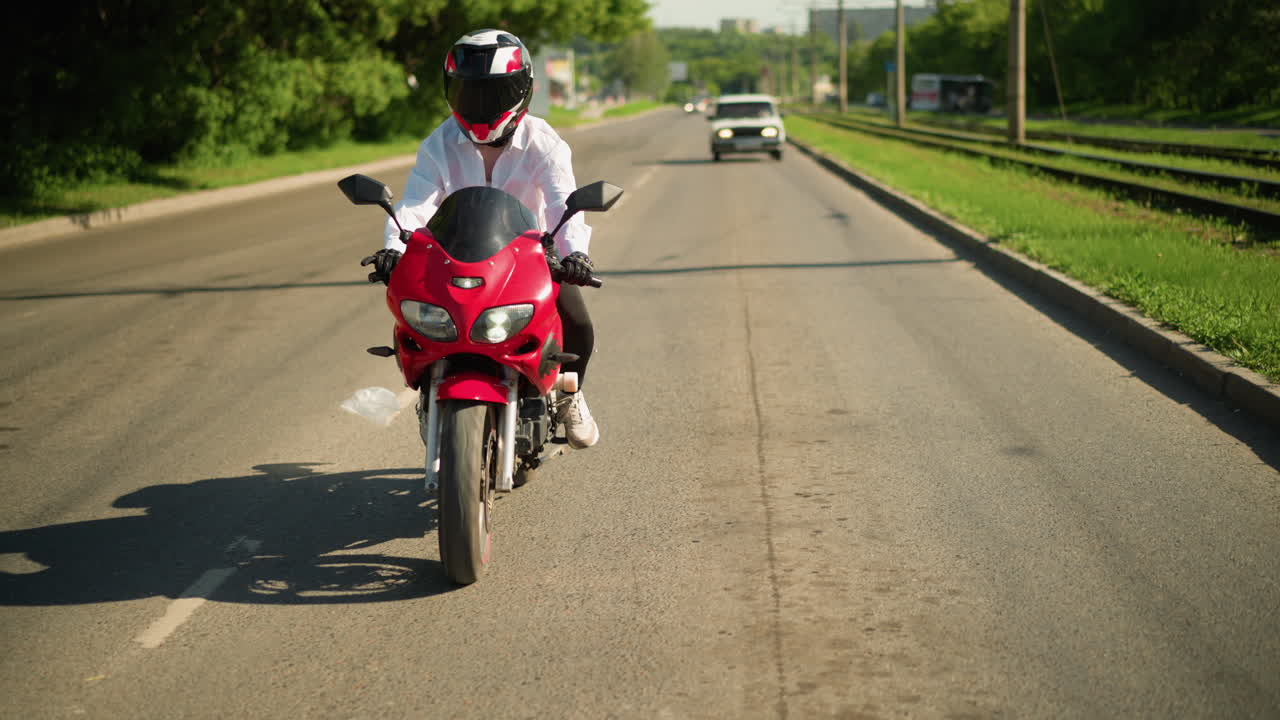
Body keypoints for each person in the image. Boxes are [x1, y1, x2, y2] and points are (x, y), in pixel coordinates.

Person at [361, 29, 599, 448]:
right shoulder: (439, 143)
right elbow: (417, 202)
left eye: (494, 93)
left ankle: (570, 394)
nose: (480, 105)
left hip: (530, 258)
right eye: (470, 93)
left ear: (522, 90)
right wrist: (393, 248)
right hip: (457, 255)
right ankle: (432, 388)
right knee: (418, 321)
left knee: (577, 323)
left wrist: (574, 253)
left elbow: (564, 205)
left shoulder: (544, 143)